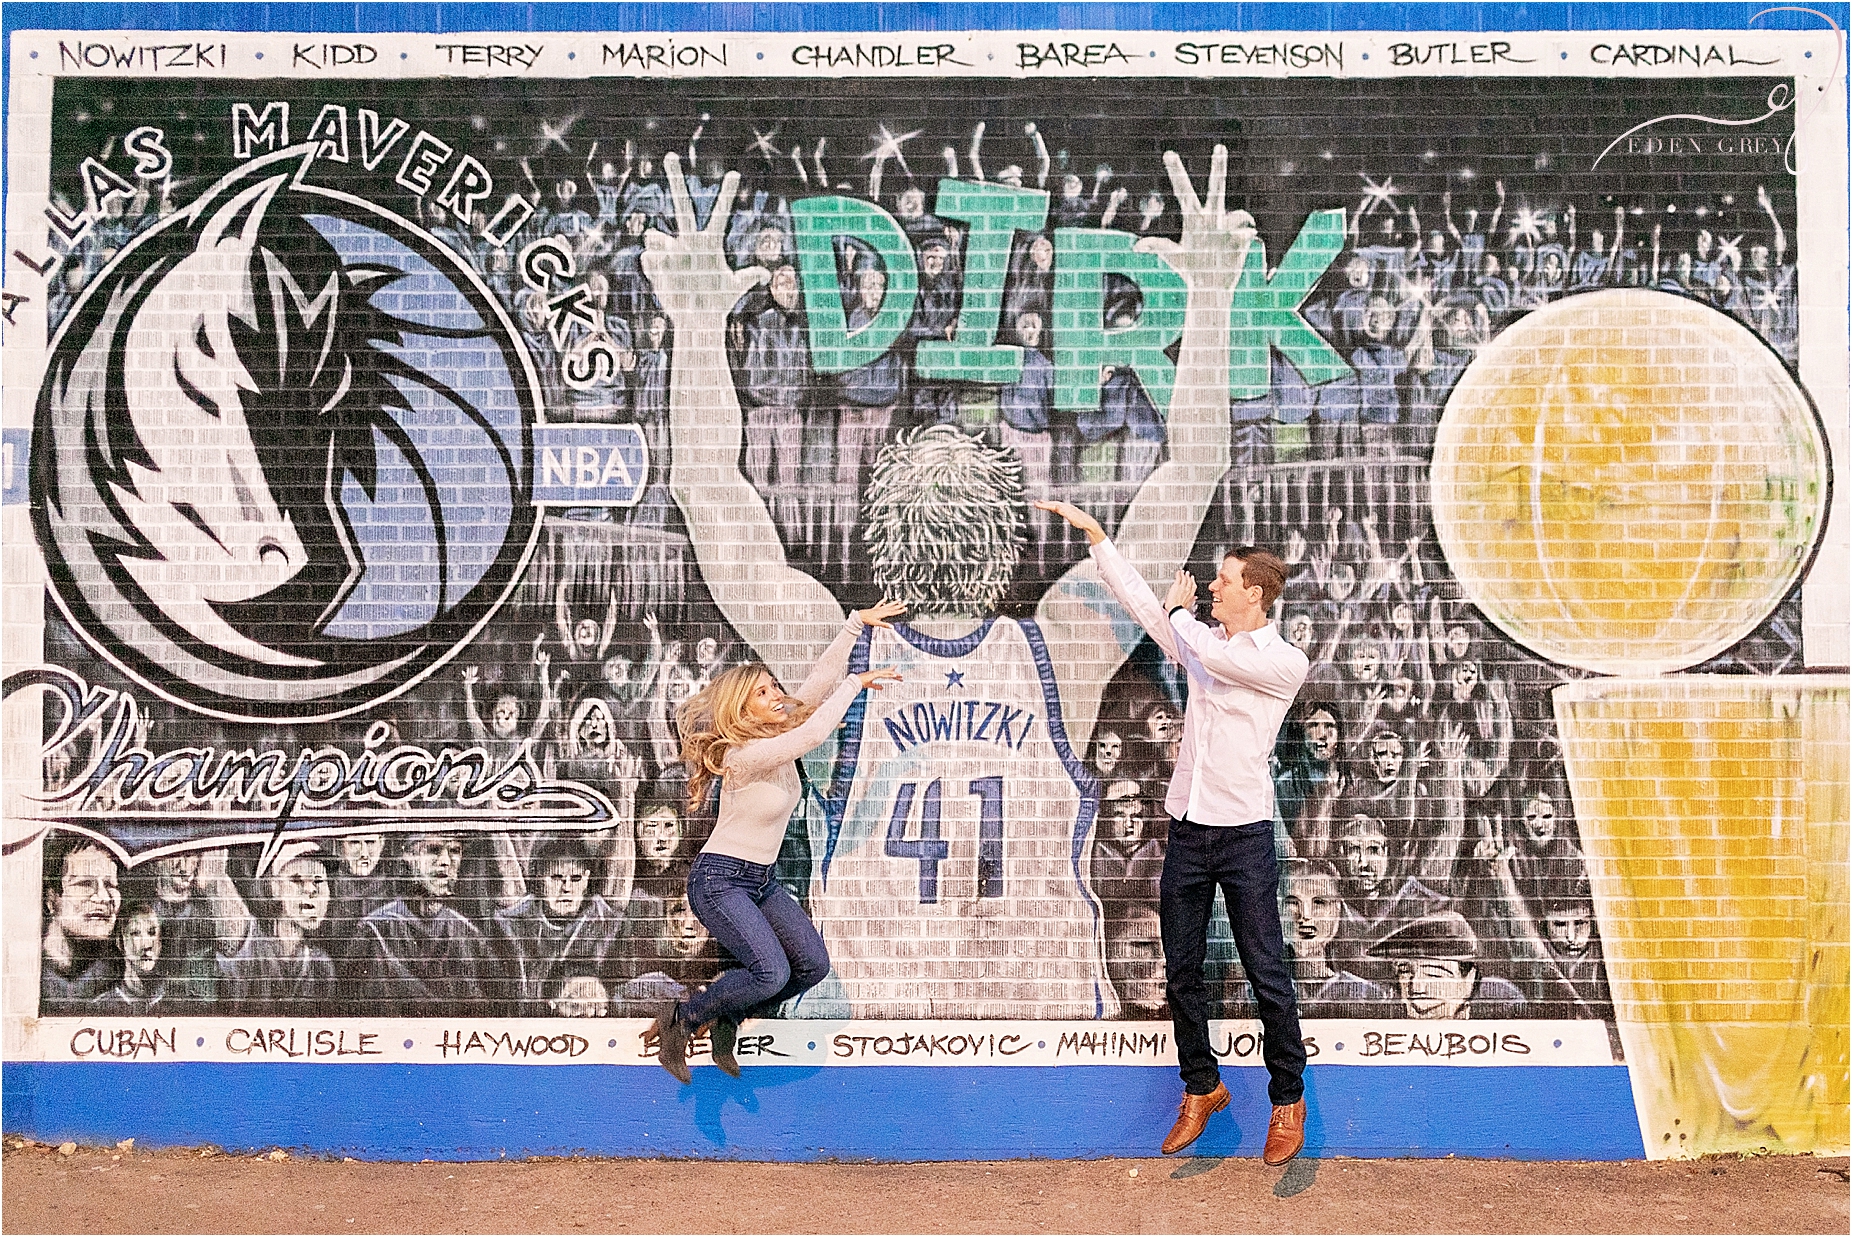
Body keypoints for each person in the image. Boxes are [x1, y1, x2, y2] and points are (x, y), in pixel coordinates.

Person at [644, 148, 1247, 1027]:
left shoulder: (835, 641)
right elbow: (1193, 468)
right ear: (1006, 534)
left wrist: (697, 326)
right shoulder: (1062, 646)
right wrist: (1213, 300)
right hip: (1039, 1023)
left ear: (883, 533)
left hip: (874, 1025)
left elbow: (707, 486)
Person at [1040, 498, 1310, 1164]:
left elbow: (1197, 645)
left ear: (1255, 592)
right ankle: (1202, 1086)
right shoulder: (1200, 644)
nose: (1211, 586)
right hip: (1188, 832)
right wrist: (1099, 539)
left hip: (1244, 835)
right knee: (1180, 971)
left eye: (1223, 580)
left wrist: (1182, 614)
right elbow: (1146, 610)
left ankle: (1288, 1097)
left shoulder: (1282, 660)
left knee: (1265, 968)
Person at [643, 601, 906, 1083]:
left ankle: (728, 1015)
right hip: (720, 881)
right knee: (769, 972)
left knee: (811, 966)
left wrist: (854, 626)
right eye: (763, 693)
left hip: (759, 881)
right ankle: (683, 1019)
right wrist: (856, 685)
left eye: (773, 687)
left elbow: (816, 687)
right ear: (744, 709)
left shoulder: (776, 732)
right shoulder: (748, 755)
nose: (777, 696)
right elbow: (812, 733)